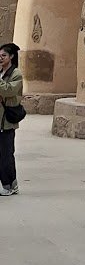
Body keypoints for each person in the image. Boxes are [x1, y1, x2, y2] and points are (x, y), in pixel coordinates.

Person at [0, 41, 23, 195]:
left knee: (6, 154)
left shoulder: (16, 74)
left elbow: (9, 91)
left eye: (4, 55)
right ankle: (8, 183)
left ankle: (10, 185)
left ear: (11, 57)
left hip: (6, 121)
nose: (1, 58)